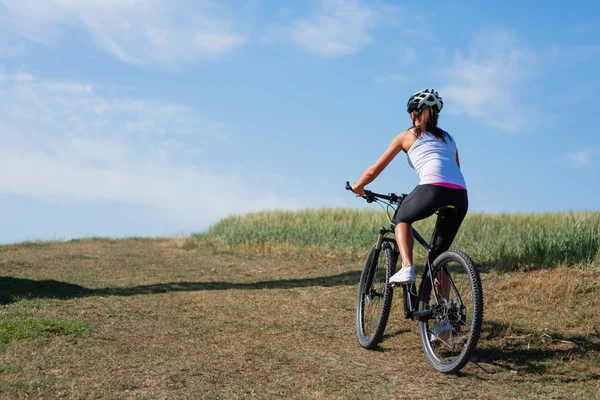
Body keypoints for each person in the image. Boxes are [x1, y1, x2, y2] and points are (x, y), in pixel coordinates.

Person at [351, 88, 468, 286]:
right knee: (438, 258)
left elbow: (374, 170)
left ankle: (407, 268)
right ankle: (445, 315)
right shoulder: (448, 138)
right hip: (460, 195)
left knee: (401, 218)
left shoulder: (407, 135)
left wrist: (359, 187)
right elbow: (455, 168)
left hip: (433, 189)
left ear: (414, 114)